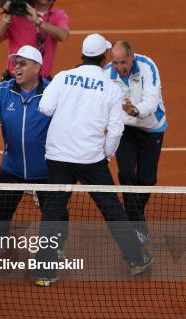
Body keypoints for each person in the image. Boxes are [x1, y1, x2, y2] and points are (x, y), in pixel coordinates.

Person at [35, 33, 155, 286]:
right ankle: (135, 259)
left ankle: (44, 271)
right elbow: (115, 130)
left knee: (52, 211)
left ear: (83, 54)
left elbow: (45, 108)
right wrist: (106, 154)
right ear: (104, 58)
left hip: (57, 155)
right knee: (112, 208)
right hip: (91, 159)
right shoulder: (110, 88)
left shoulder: (62, 77)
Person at [0, 45, 52, 245]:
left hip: (45, 169)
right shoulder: (4, 90)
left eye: (23, 63)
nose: (16, 68)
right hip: (11, 167)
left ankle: (53, 249)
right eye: (15, 63)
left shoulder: (51, 91)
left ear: (37, 67)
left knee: (55, 216)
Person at [105, 41, 168, 244]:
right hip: (126, 129)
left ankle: (133, 212)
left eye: (123, 62)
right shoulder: (107, 74)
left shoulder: (147, 66)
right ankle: (137, 225)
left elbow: (151, 99)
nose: (119, 67)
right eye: (115, 62)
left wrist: (136, 110)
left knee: (147, 180)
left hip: (151, 127)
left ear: (132, 57)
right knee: (126, 174)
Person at [0, 0, 69, 80]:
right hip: (15, 79)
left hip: (42, 81)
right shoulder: (18, 14)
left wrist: (37, 21)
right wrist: (9, 15)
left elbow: (63, 35)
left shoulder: (58, 15)